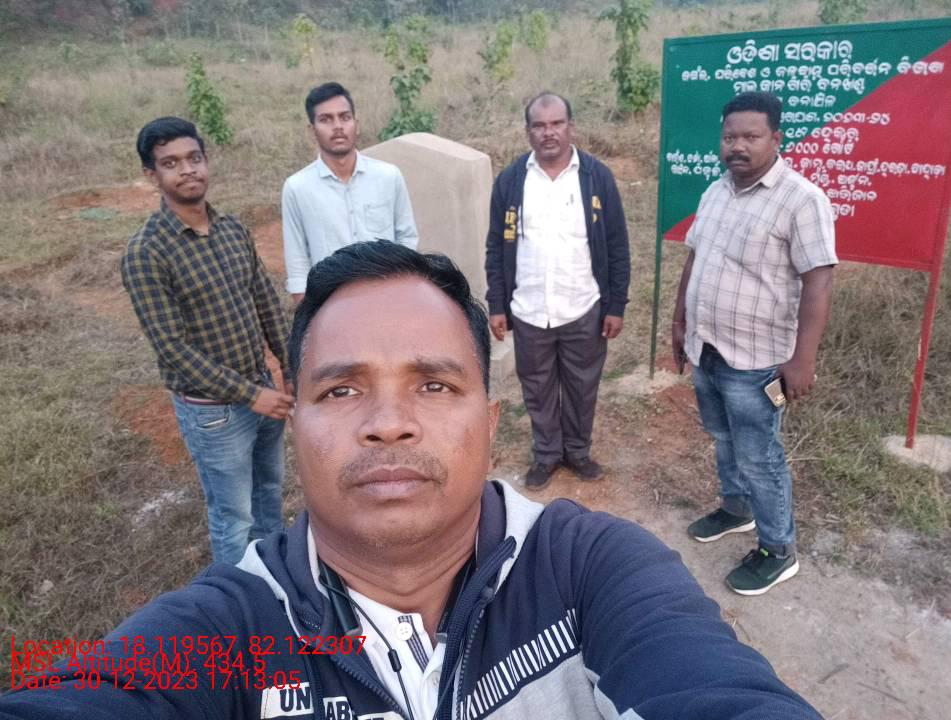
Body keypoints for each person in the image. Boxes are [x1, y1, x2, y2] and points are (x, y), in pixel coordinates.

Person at [1, 241, 823, 720]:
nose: (388, 422)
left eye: (433, 384)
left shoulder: (594, 571)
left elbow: (713, 687)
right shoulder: (229, 633)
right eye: (340, 390)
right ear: (296, 424)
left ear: (490, 425)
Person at [672, 91, 837, 596]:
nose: (737, 146)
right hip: (708, 348)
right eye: (730, 137)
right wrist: (679, 322)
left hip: (758, 361)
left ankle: (778, 549)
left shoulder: (801, 200)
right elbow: (695, 258)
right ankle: (736, 508)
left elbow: (819, 281)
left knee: (760, 457)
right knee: (724, 439)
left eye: (751, 136)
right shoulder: (716, 191)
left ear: (776, 138)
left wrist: (803, 359)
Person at [120, 117, 293, 565]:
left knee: (269, 494)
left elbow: (265, 302)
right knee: (234, 516)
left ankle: (275, 578)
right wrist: (252, 396)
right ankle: (239, 596)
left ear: (206, 161)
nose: (187, 170)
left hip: (263, 388)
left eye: (194, 158)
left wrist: (290, 368)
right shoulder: (146, 253)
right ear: (152, 175)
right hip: (214, 412)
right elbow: (172, 348)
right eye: (171, 163)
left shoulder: (232, 229)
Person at [485, 92, 630, 490]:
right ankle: (547, 454)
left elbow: (617, 244)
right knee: (537, 387)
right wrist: (497, 304)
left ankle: (578, 452)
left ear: (571, 127)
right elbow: (496, 245)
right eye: (539, 125)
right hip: (529, 309)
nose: (548, 133)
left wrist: (615, 305)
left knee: (582, 386)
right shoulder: (511, 181)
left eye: (556, 124)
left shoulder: (596, 177)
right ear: (528, 131)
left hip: (582, 305)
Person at [282, 81, 419, 305]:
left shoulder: (388, 176)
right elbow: (297, 263)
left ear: (356, 124)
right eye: (326, 119)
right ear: (311, 130)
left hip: (388, 299)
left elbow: (407, 239)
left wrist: (401, 294)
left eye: (345, 117)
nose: (338, 126)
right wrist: (309, 315)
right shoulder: (297, 188)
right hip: (332, 306)